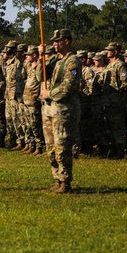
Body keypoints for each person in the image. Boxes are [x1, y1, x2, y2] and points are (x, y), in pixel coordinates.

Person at [40, 29, 82, 193]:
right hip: (50, 110)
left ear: (67, 41)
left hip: (64, 110)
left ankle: (65, 181)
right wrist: (41, 58)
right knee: (50, 147)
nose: (54, 44)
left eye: (58, 41)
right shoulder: (55, 61)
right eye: (53, 42)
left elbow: (70, 84)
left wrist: (49, 94)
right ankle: (57, 179)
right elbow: (41, 76)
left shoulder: (73, 62)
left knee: (62, 147)